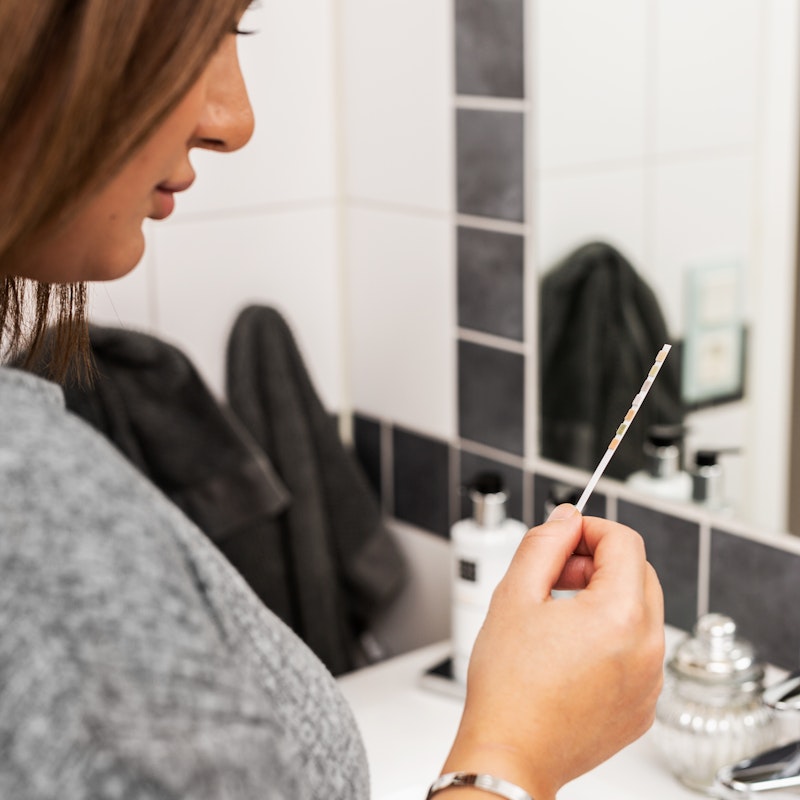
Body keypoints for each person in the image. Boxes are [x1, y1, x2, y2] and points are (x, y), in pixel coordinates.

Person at [0, 3, 665, 799]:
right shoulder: (27, 506)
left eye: (234, 35)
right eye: (200, 32)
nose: (234, 121)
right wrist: (515, 754)